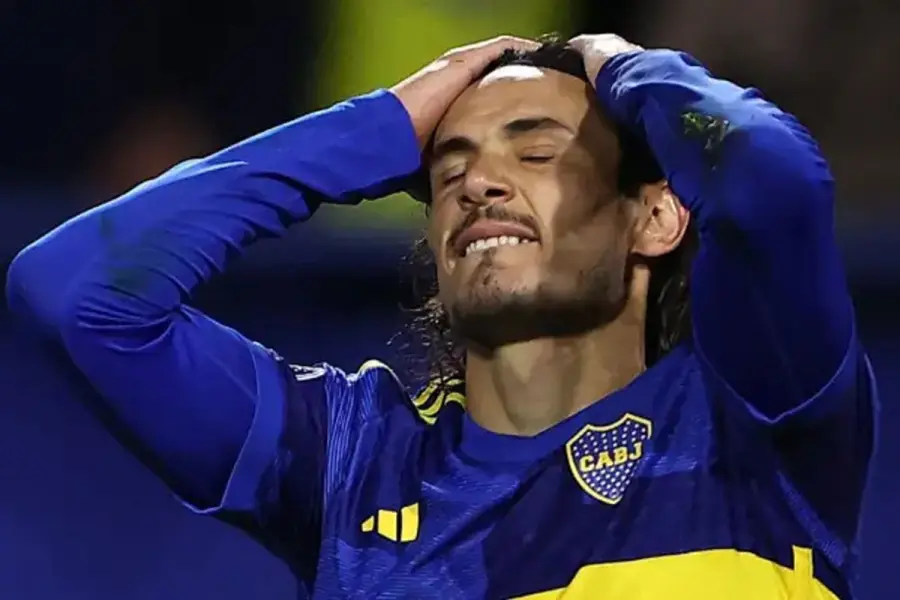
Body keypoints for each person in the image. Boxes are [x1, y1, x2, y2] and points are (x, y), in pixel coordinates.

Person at [6, 33, 876, 599]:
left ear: (653, 216)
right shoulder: (349, 463)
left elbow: (772, 180)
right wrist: (377, 129)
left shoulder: (749, 419)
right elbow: (75, 292)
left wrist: (620, 64)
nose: (478, 182)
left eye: (537, 152)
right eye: (447, 166)